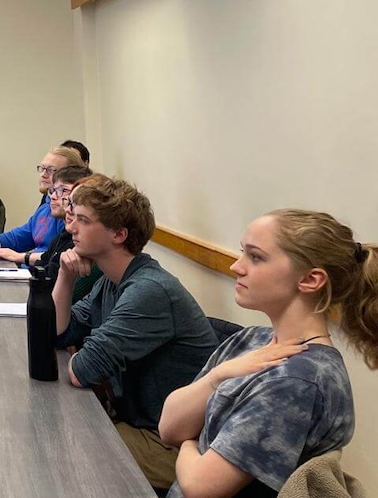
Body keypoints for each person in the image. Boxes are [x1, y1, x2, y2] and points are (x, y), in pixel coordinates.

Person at [160, 210, 374, 497]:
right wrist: (218, 375)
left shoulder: (299, 381)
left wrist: (192, 440)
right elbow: (169, 428)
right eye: (242, 253)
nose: (236, 266)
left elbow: (200, 486)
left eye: (256, 257)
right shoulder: (253, 339)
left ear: (310, 280)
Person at [52, 176, 218, 492]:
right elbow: (60, 334)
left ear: (119, 234)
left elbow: (82, 370)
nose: (72, 228)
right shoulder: (111, 281)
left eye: (83, 221)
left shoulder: (149, 291)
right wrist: (65, 276)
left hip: (175, 444)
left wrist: (81, 358)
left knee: (64, 445)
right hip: (138, 423)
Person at [0, 165, 102, 304]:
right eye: (52, 191)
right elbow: (44, 264)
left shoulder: (88, 256)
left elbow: (56, 306)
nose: (54, 197)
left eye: (64, 191)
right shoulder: (63, 234)